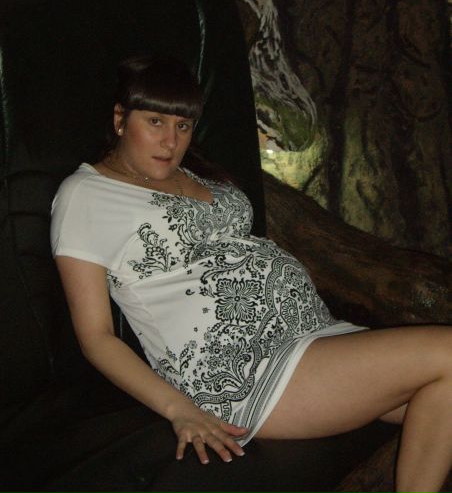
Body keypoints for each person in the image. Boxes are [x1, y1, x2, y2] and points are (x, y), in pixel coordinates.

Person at [51, 55, 452, 493]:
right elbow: (96, 337)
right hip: (248, 372)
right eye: (155, 122)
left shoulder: (186, 172)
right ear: (120, 119)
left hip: (312, 336)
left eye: (183, 126)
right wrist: (178, 409)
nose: (170, 141)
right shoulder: (85, 195)